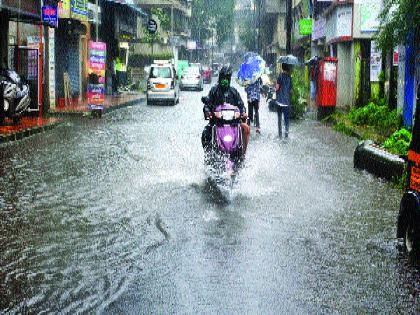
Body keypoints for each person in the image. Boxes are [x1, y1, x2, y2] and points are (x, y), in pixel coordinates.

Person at [202, 65, 250, 154]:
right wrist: (208, 111)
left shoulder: (234, 92)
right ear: (220, 78)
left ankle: (243, 153)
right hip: (217, 122)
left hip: (234, 122)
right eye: (223, 77)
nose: (225, 80)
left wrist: (243, 112)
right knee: (205, 133)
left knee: (246, 128)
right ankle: (208, 155)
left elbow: (241, 105)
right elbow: (207, 104)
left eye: (227, 77)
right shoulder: (214, 91)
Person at [275, 63, 292, 138]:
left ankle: (280, 133)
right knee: (286, 119)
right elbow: (290, 90)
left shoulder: (279, 76)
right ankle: (286, 133)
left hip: (279, 101)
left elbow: (277, 88)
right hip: (286, 102)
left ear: (282, 68)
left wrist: (275, 87)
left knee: (279, 118)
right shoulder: (289, 77)